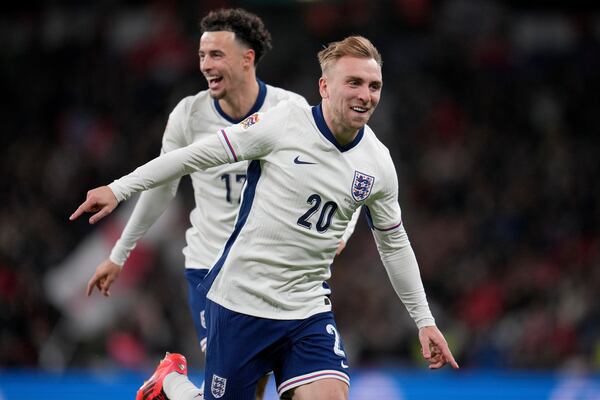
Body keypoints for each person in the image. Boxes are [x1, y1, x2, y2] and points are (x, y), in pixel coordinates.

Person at [71, 35, 458, 400]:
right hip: (242, 303)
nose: (365, 95)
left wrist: (424, 321)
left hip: (307, 309)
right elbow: (192, 156)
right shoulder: (283, 124)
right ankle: (170, 381)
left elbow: (394, 244)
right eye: (354, 82)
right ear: (324, 87)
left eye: (374, 86)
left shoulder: (378, 163)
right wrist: (119, 188)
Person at [82, 8, 358, 400]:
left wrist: (342, 231)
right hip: (212, 272)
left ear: (248, 58)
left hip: (278, 273)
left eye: (216, 55)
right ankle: (173, 383)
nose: (206, 65)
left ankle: (170, 384)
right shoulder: (189, 115)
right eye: (202, 56)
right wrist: (119, 254)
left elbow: (343, 174)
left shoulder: (290, 111)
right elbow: (162, 188)